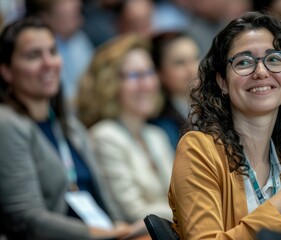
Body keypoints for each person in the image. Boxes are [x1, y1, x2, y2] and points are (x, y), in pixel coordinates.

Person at [168, 11, 281, 239]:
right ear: (222, 82)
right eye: (244, 62)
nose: (261, 72)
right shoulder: (199, 150)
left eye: (273, 59)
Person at [0, 17, 144, 239]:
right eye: (34, 55)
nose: (49, 63)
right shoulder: (7, 124)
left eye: (53, 51)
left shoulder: (70, 126)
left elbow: (104, 201)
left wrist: (122, 230)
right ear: (7, 71)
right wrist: (96, 234)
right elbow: (26, 217)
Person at [76, 34, 174, 224]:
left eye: (150, 72)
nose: (147, 84)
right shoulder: (104, 136)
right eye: (136, 75)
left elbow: (183, 194)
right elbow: (135, 213)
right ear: (109, 84)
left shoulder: (156, 135)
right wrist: (193, 208)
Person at [150, 31, 200, 149]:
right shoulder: (160, 125)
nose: (192, 69)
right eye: (180, 63)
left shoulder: (217, 107)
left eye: (195, 58)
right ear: (159, 73)